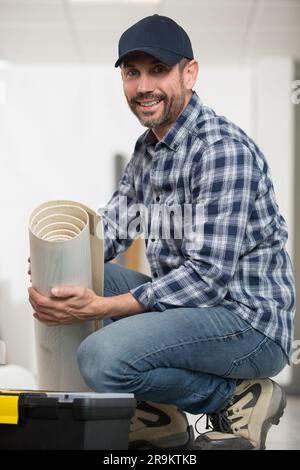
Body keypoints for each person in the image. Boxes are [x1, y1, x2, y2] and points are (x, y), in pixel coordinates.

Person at [28, 14, 296, 450]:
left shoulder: (221, 151)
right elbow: (113, 227)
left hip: (249, 323)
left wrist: (104, 304)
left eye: (158, 70)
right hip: (195, 312)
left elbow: (207, 278)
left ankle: (238, 397)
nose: (143, 86)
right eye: (132, 73)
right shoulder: (150, 149)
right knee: (80, 275)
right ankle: (161, 417)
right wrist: (54, 266)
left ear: (189, 73)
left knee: (101, 358)